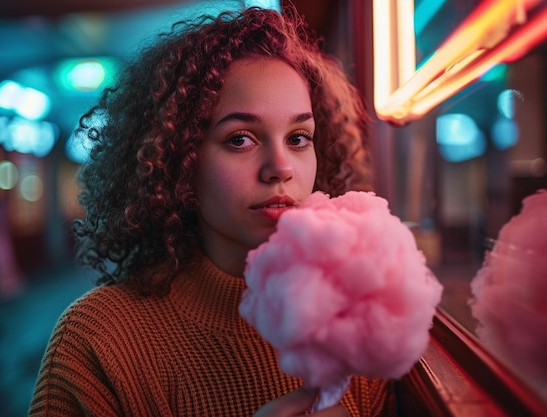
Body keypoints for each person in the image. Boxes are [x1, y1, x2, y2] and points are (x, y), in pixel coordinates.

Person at [29, 6, 395, 417]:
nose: (281, 167)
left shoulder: (362, 320)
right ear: (179, 161)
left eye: (298, 137)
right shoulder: (97, 341)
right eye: (240, 139)